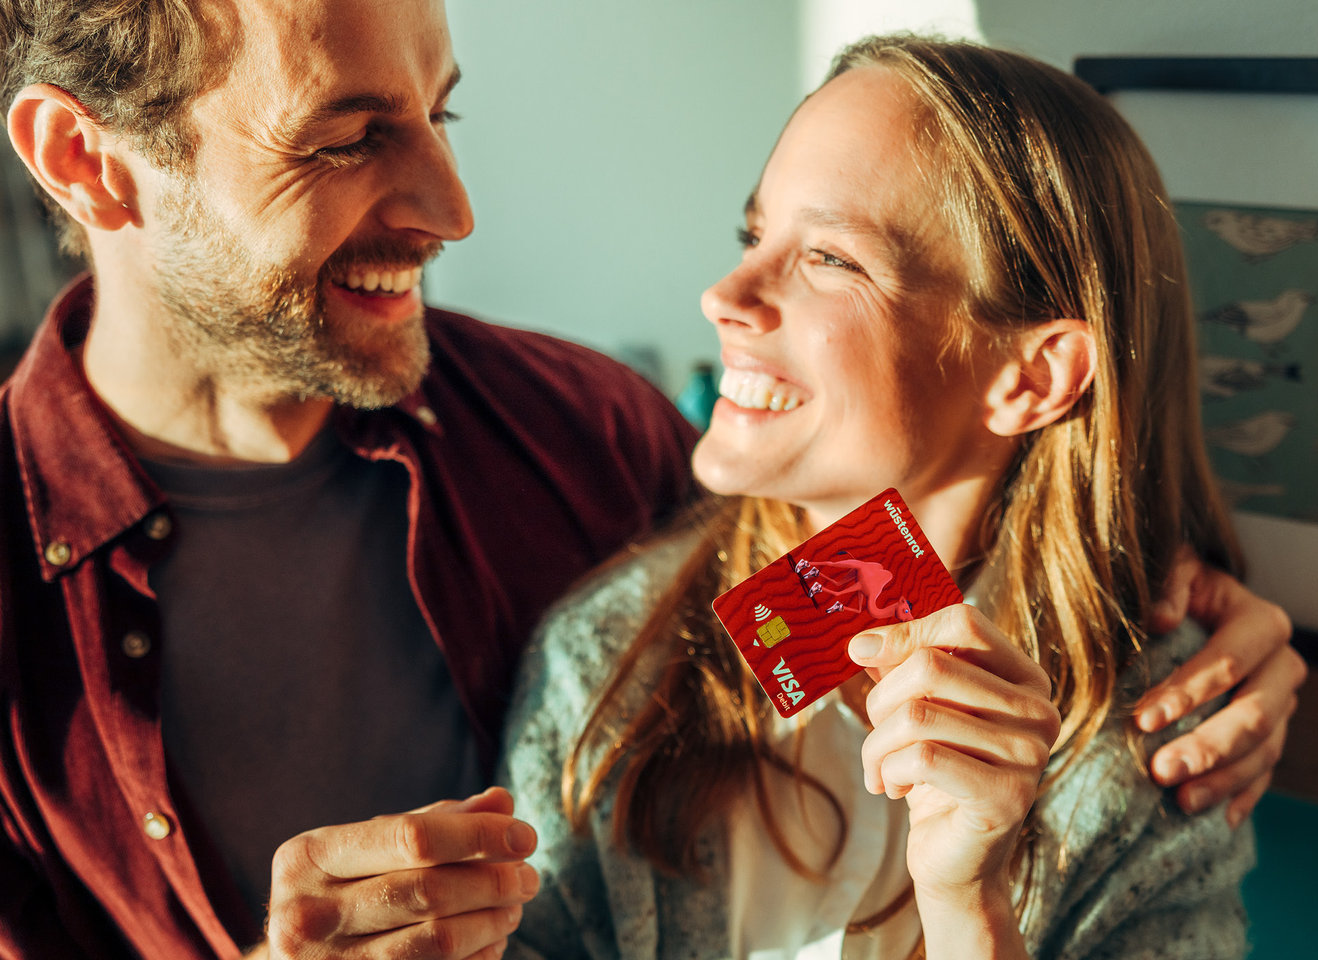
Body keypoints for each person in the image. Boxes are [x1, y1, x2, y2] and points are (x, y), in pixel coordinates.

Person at [0, 3, 1299, 959]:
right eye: (351, 137)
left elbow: (850, 577)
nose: (454, 207)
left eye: (441, 112)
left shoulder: (591, 436)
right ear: (89, 161)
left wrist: (1181, 616)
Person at [501, 36, 1272, 959]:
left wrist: (968, 910)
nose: (724, 294)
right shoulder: (606, 659)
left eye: (830, 257)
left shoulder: (1170, 745)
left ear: (1032, 377)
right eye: (753, 235)